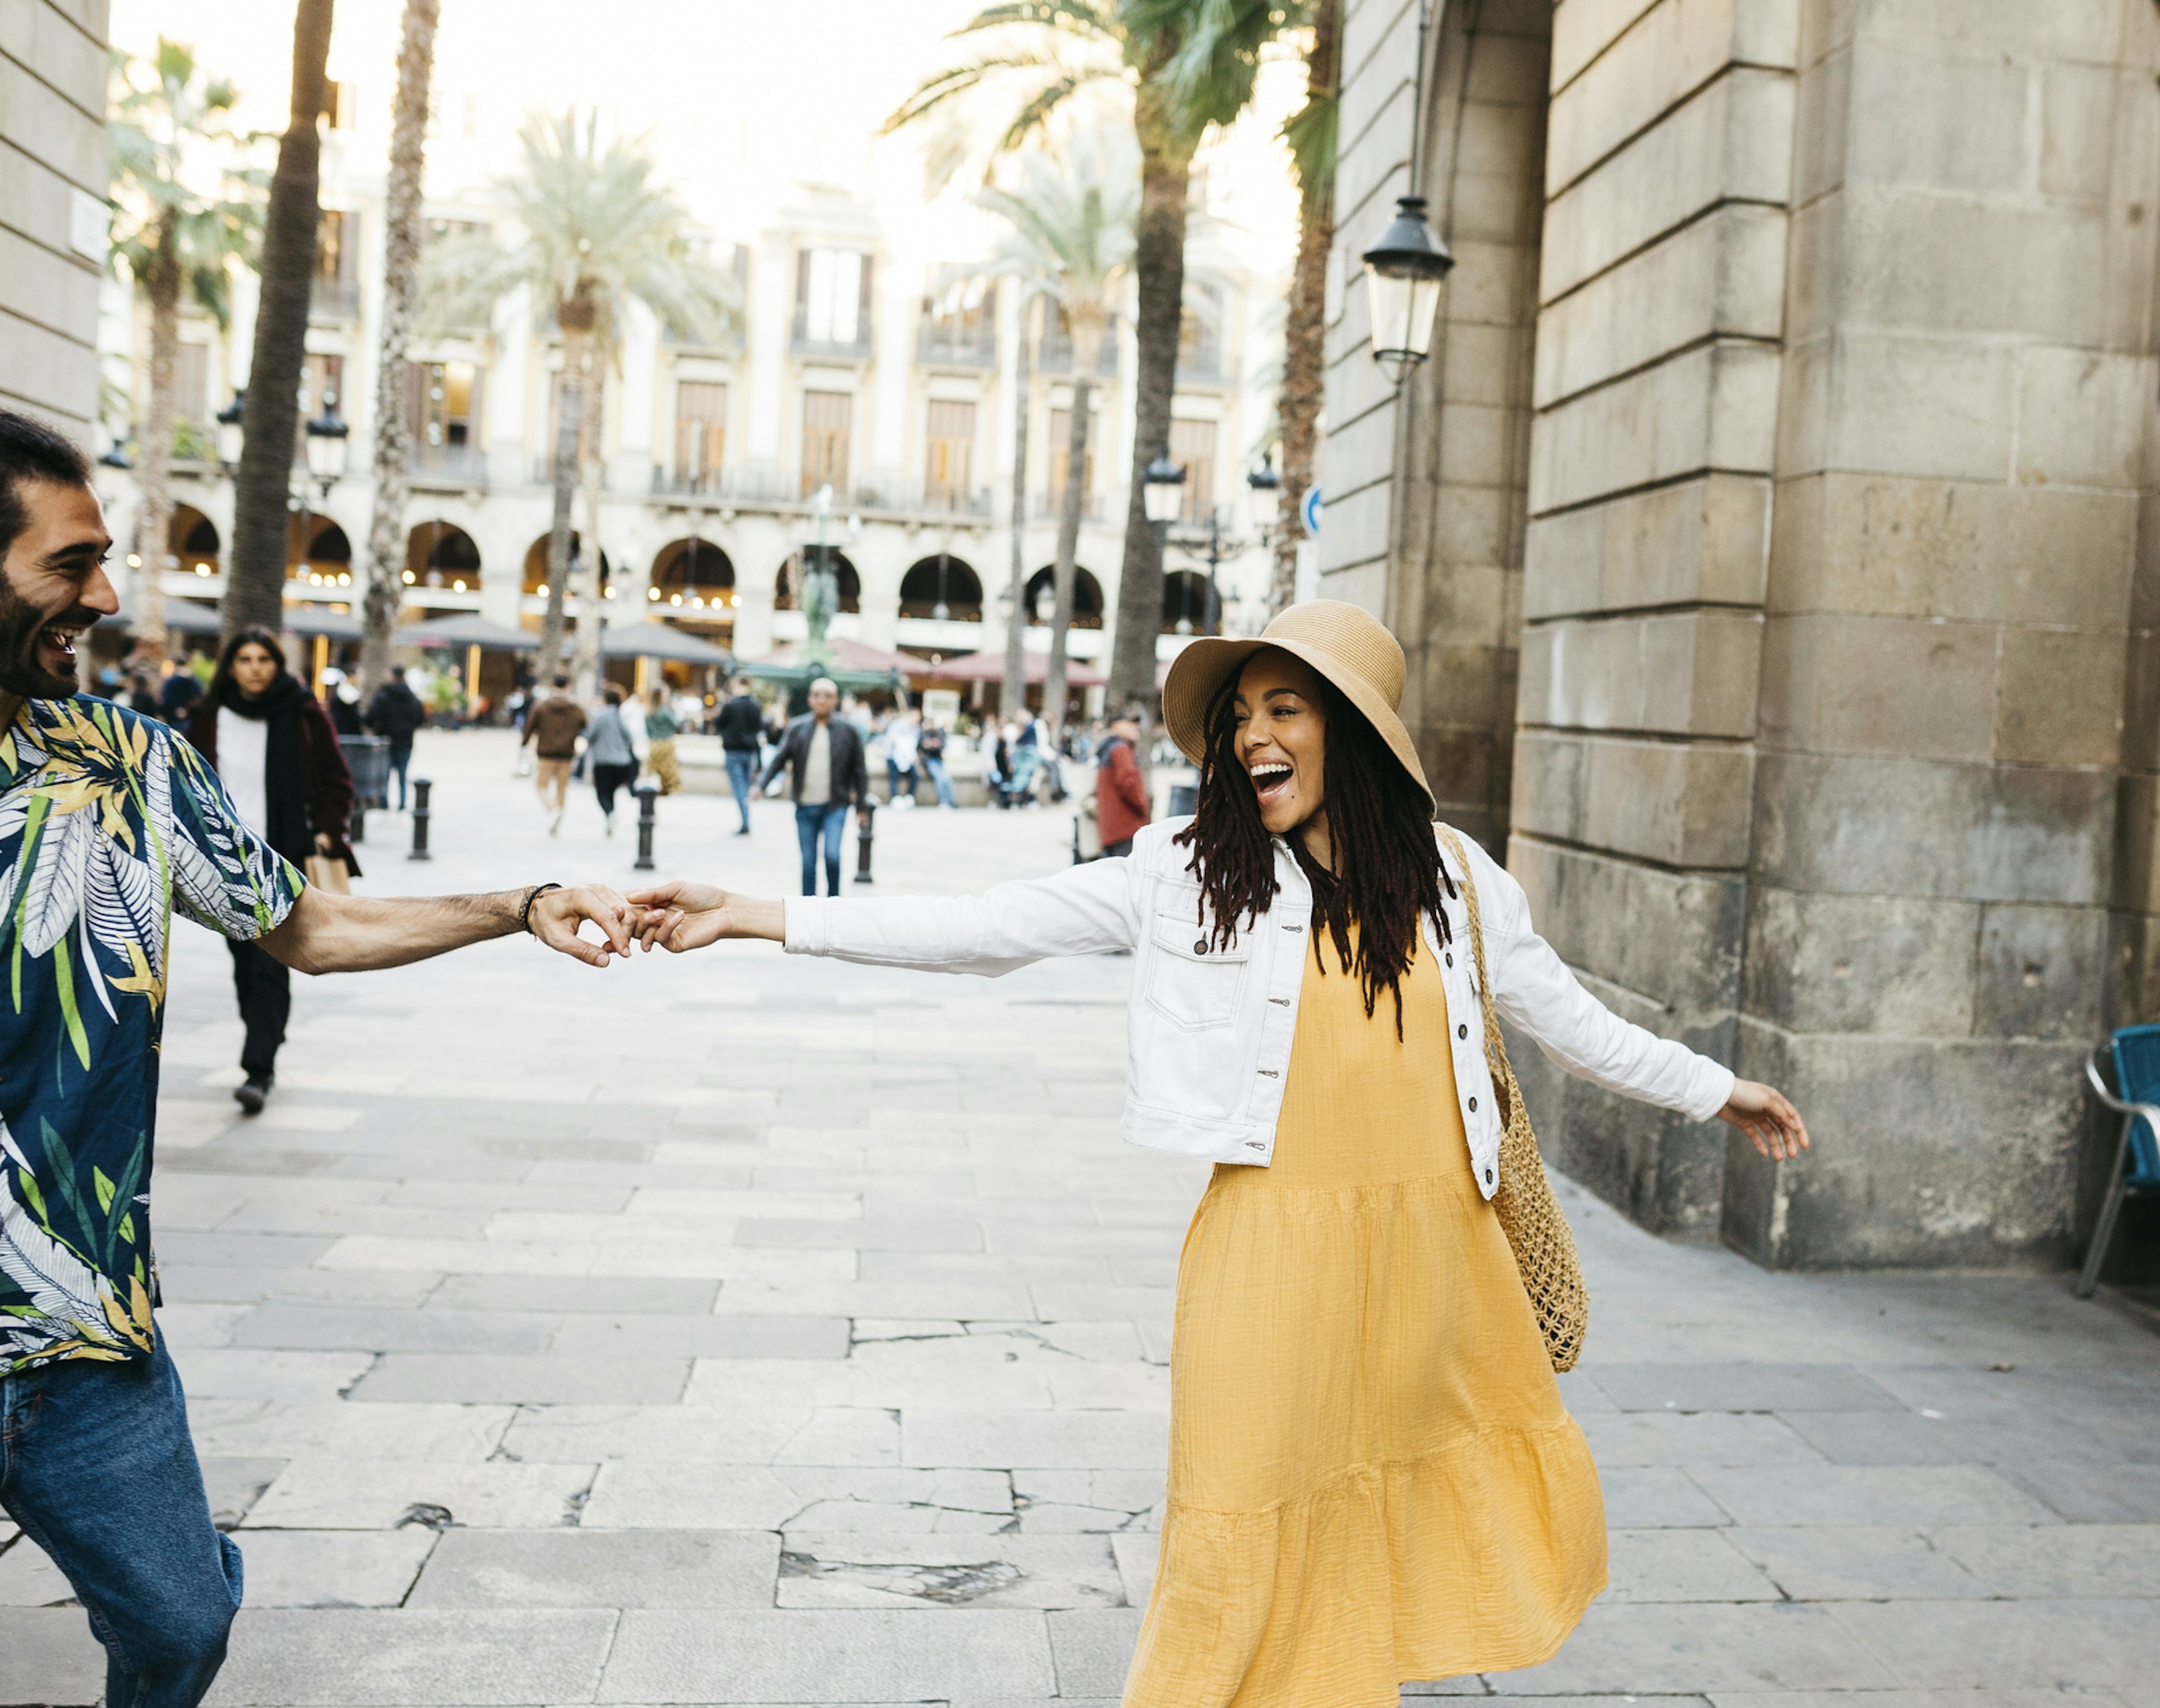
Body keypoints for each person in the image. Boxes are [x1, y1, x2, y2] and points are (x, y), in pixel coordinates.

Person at [625, 600, 1809, 1707]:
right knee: (1238, 1514)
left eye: (1284, 710)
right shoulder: (1191, 873)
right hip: (1271, 1249)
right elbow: (991, 928)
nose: (1253, 737)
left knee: (1373, 1521)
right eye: (1241, 717)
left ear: (1351, 730)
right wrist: (763, 914)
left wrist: (1720, 1090)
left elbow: (1576, 1023)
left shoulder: (1454, 879)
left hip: (1436, 1255)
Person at [0, 408, 637, 1708]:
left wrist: (517, 904)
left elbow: (309, 920)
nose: (108, 594)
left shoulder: (123, 761)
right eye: (71, 564)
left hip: (74, 1319)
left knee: (180, 1620)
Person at [184, 627, 364, 1116]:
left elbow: (336, 779)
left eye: (264, 658)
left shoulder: (302, 713)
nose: (255, 667)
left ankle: (258, 1066)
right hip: (222, 859)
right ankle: (265, 1037)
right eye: (245, 659)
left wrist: (326, 831)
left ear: (277, 663)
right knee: (246, 962)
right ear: (231, 666)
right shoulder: (209, 716)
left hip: (282, 856)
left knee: (269, 962)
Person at [761, 677, 865, 896]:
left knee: (832, 856)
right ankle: (808, 910)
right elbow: (780, 759)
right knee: (808, 863)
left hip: (835, 806)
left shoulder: (848, 731)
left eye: (828, 696)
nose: (822, 701)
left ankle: (834, 903)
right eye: (817, 695)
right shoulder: (798, 728)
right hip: (805, 805)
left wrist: (862, 807)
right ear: (810, 699)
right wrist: (761, 785)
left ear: (835, 701)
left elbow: (859, 770)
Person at [521, 673, 586, 835]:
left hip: (546, 753)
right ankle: (557, 822)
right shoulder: (575, 708)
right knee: (562, 789)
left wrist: (524, 743)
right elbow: (585, 725)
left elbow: (530, 727)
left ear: (553, 686)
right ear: (568, 687)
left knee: (541, 785)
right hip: (567, 754)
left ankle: (552, 809)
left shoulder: (542, 706)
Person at [365, 667, 427, 809]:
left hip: (386, 741)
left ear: (391, 676)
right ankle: (403, 803)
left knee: (384, 776)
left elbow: (371, 717)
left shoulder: (383, 695)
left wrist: (378, 727)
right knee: (402, 776)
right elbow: (421, 718)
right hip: (406, 742)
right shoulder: (411, 696)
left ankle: (384, 803)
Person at [585, 682, 641, 834]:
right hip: (622, 762)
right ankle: (611, 817)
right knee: (612, 792)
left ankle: (610, 814)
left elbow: (590, 735)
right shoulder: (620, 716)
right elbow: (630, 738)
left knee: (603, 793)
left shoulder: (600, 716)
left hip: (603, 762)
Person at [1093, 708, 1150, 858]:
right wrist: (1143, 806)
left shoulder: (1107, 748)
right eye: (1129, 722)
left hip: (1110, 828)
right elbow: (1129, 784)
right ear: (1115, 725)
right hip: (1125, 826)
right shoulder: (1121, 749)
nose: (1134, 727)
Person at [713, 677, 765, 835]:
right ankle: (746, 819)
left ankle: (745, 821)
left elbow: (718, 723)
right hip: (749, 751)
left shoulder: (731, 704)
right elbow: (759, 727)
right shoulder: (755, 705)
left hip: (734, 750)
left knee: (740, 788)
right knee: (745, 786)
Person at [642, 683, 683, 796]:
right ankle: (667, 789)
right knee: (667, 768)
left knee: (655, 767)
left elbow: (648, 731)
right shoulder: (665, 710)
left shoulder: (648, 712)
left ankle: (653, 788)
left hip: (654, 743)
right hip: (666, 743)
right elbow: (676, 724)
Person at [881, 707, 922, 808]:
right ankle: (895, 798)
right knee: (894, 776)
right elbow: (890, 739)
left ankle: (909, 797)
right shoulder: (897, 725)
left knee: (915, 776)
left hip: (908, 759)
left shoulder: (916, 729)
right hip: (893, 756)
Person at [918, 715, 956, 809]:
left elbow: (942, 744)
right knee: (940, 778)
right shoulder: (923, 733)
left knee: (947, 778)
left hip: (938, 760)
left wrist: (933, 744)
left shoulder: (938, 733)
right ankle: (943, 801)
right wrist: (932, 744)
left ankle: (952, 802)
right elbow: (920, 746)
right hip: (928, 760)